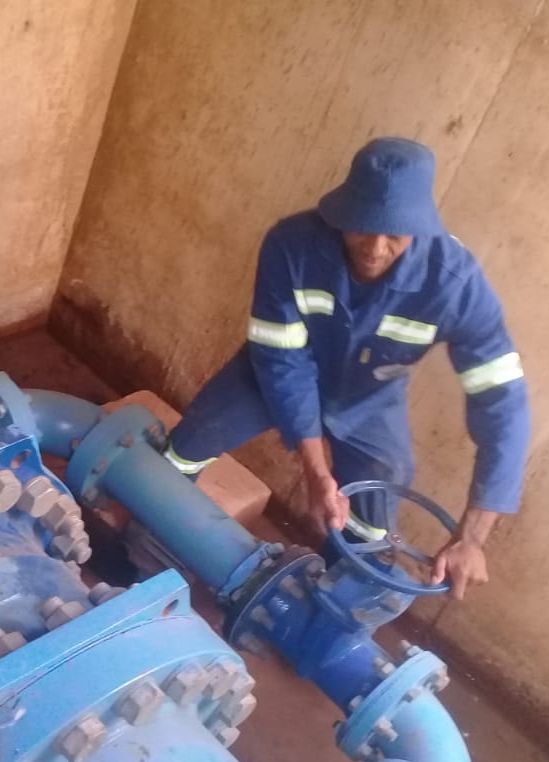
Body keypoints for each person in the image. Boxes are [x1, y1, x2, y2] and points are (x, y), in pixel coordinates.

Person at [163, 138, 529, 599]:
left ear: (420, 226)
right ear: (342, 211)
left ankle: (323, 601)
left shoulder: (456, 285)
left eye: (395, 234)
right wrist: (318, 474)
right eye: (363, 226)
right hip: (270, 375)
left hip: (369, 399)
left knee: (374, 512)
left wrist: (471, 536)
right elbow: (283, 362)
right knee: (188, 445)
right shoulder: (291, 245)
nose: (375, 247)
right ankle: (145, 545)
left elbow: (504, 407)